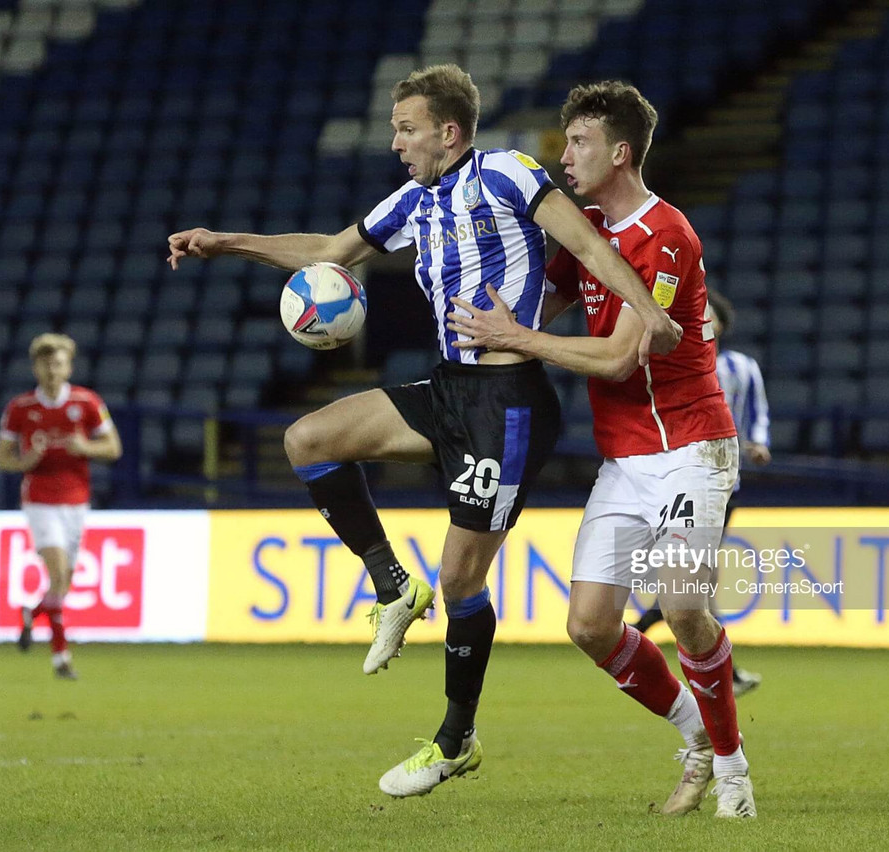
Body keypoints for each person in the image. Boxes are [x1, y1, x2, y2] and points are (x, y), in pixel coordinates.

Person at [166, 65, 682, 797]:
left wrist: (650, 314)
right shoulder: (415, 198)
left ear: (447, 130)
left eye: (405, 128)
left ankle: (455, 738)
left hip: (507, 401)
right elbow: (328, 253)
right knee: (307, 441)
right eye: (392, 130)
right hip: (449, 386)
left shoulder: (507, 173)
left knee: (462, 578)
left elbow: (593, 250)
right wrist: (226, 243)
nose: (396, 143)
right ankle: (391, 587)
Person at [447, 81, 756, 818]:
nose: (565, 155)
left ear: (620, 152)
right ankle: (697, 738)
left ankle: (734, 770)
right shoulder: (583, 231)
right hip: (625, 459)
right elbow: (528, 309)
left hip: (692, 445)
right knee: (588, 625)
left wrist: (517, 339)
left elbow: (619, 357)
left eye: (578, 142)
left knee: (682, 603)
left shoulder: (669, 233)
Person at [633, 290, 768, 696]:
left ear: (720, 325)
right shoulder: (676, 363)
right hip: (677, 478)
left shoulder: (741, 367)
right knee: (696, 577)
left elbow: (758, 412)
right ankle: (710, 663)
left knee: (698, 577)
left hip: (725, 482)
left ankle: (653, 634)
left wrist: (759, 442)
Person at [0, 333, 122, 679]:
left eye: (59, 363)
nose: (52, 369)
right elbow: (1, 458)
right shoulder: (20, 409)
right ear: (36, 367)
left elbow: (113, 449)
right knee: (57, 572)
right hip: (40, 500)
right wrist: (26, 461)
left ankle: (31, 614)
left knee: (62, 583)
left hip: (77, 501)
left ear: (69, 367)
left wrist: (85, 448)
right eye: (46, 363)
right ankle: (61, 658)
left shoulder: (87, 402)